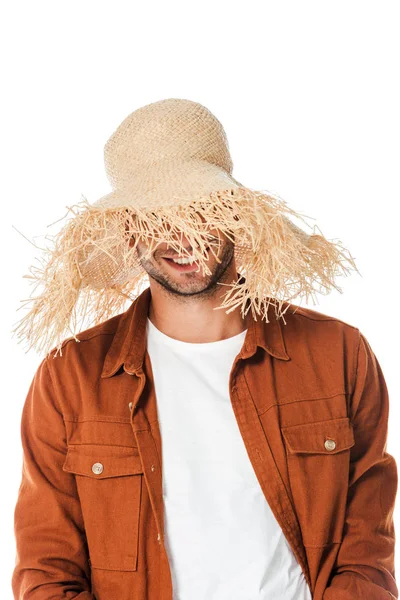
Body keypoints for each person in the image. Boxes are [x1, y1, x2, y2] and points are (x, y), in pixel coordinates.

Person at [11, 98, 398, 600]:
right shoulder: (72, 376)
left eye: (200, 210)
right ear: (129, 234)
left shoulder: (337, 353)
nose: (181, 237)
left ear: (236, 214)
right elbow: (47, 569)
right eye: (155, 217)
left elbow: (367, 541)